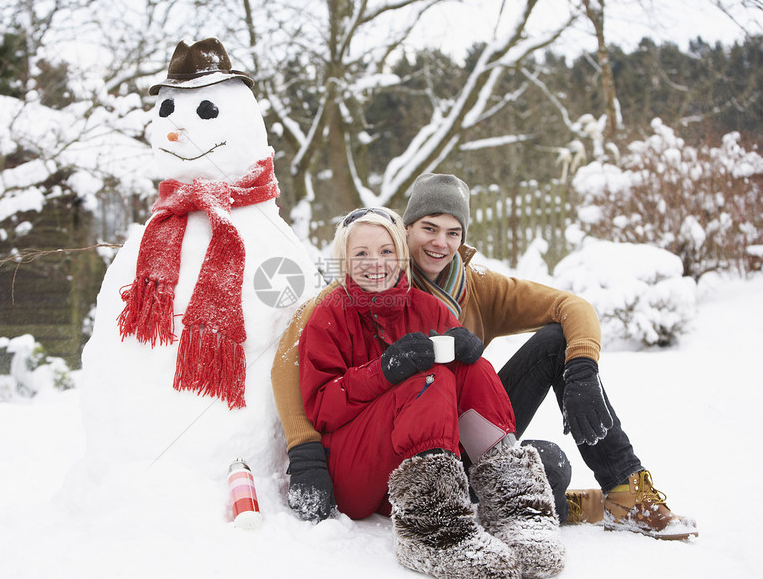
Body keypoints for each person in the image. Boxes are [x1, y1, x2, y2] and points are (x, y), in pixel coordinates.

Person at [274, 173, 698, 542]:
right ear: (404, 232)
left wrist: (583, 367)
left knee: (554, 367)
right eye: (428, 228)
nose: (440, 243)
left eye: (453, 232)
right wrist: (305, 452)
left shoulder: (476, 287)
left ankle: (624, 490)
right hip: (400, 436)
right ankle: (532, 503)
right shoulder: (360, 284)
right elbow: (290, 365)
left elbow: (573, 306)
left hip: (465, 422)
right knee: (547, 467)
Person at [297, 206, 564, 579]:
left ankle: (515, 508)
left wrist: (464, 347)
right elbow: (320, 408)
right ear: (343, 260)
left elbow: (468, 381)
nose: (376, 262)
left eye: (386, 251)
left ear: (401, 254)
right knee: (428, 378)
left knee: (473, 366)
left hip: (415, 470)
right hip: (356, 471)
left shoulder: (427, 307)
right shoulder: (329, 314)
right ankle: (433, 533)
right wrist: (383, 370)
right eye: (361, 253)